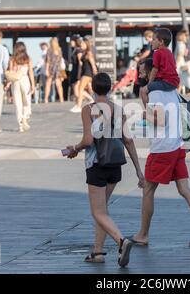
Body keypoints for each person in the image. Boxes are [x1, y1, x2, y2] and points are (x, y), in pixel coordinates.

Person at [64, 72, 145, 267]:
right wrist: (138, 171)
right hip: (115, 165)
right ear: (110, 88)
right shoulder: (118, 109)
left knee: (98, 212)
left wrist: (74, 149)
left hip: (96, 165)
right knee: (103, 210)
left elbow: (88, 140)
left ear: (92, 88)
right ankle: (98, 251)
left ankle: (121, 241)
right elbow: (128, 140)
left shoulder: (88, 109)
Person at [130, 74, 190, 248]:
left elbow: (160, 121)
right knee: (184, 188)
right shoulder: (171, 89)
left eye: (141, 71)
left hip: (163, 148)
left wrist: (144, 114)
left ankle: (143, 234)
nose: (139, 75)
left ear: (149, 72)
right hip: (177, 145)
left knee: (148, 189)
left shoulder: (155, 91)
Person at [139, 28, 180, 108]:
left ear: (161, 42)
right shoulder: (169, 52)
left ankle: (148, 111)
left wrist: (150, 83)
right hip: (175, 82)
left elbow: (154, 69)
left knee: (143, 91)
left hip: (166, 82)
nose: (151, 42)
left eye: (154, 39)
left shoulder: (157, 53)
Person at [5, 42, 35, 133]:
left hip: (15, 82)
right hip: (25, 80)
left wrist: (7, 84)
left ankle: (20, 126)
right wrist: (33, 85)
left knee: (18, 104)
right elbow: (30, 72)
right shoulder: (28, 59)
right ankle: (25, 118)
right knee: (27, 101)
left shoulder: (12, 59)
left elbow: (11, 73)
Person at [70, 37, 97, 113]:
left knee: (80, 89)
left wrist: (95, 72)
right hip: (84, 73)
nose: (81, 45)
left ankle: (79, 106)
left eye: (83, 44)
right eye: (81, 43)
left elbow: (93, 64)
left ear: (86, 44)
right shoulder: (84, 53)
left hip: (87, 73)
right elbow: (81, 65)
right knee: (90, 90)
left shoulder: (89, 53)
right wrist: (79, 74)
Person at [175, 30, 190, 96]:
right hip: (182, 63)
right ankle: (178, 91)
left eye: (177, 35)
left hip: (180, 63)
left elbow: (180, 54)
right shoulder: (180, 44)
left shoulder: (181, 44)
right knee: (182, 77)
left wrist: (176, 64)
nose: (176, 36)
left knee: (186, 77)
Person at [45, 37, 64, 103]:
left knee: (54, 84)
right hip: (55, 68)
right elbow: (48, 61)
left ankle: (60, 98)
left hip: (55, 68)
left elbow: (48, 61)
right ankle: (47, 99)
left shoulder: (56, 50)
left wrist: (46, 70)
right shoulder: (54, 50)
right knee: (54, 84)